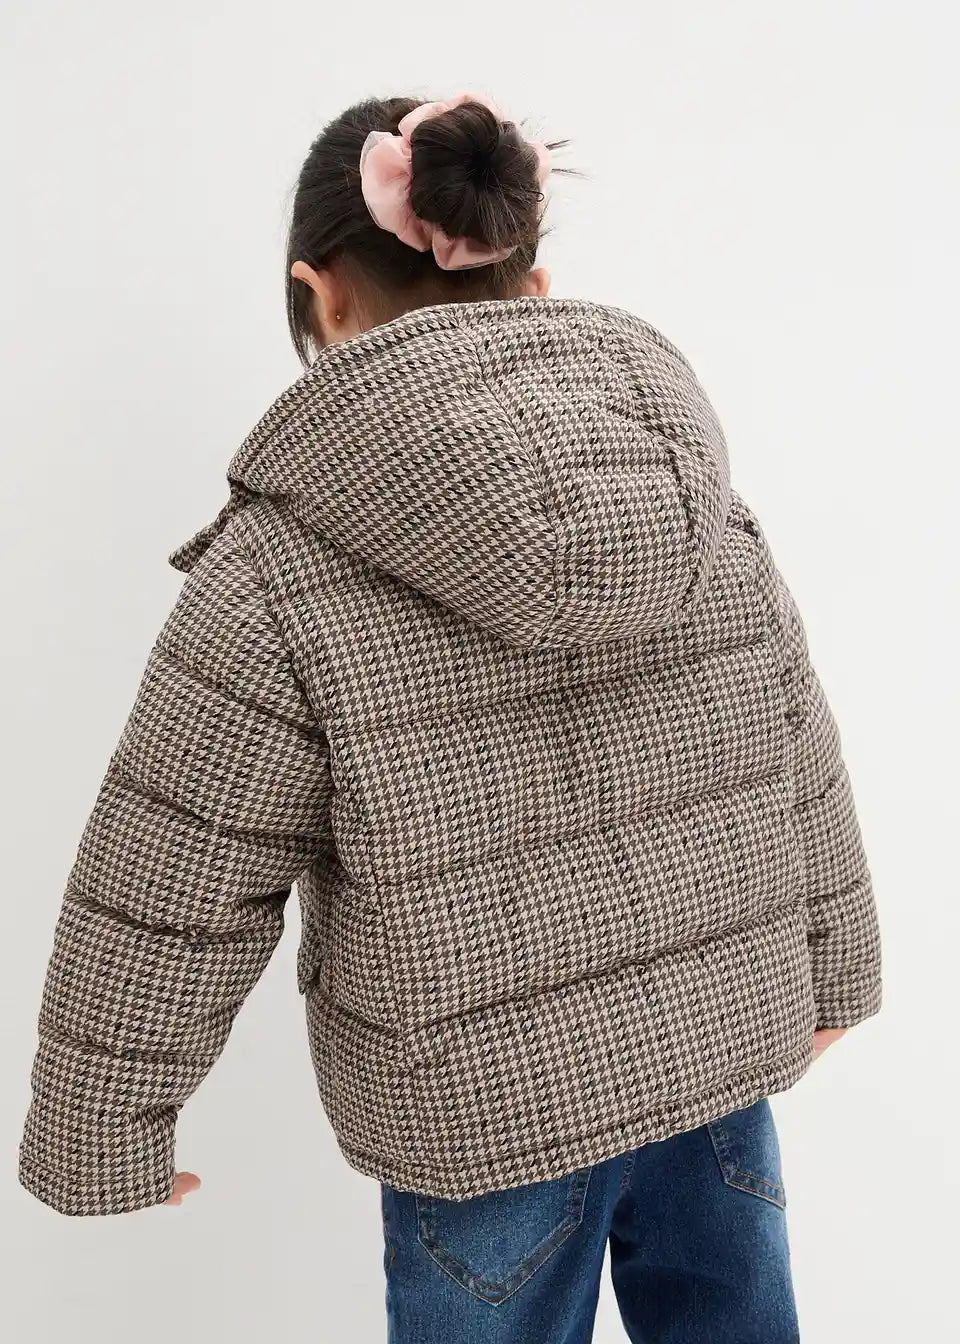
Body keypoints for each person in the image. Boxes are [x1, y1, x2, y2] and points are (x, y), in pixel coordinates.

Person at [19, 92, 881, 1343]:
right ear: (536, 281)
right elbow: (797, 737)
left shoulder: (273, 570)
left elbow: (177, 869)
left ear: (319, 296)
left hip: (481, 1116)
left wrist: (100, 1126)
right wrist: (839, 966)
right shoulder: (689, 490)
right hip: (718, 1061)